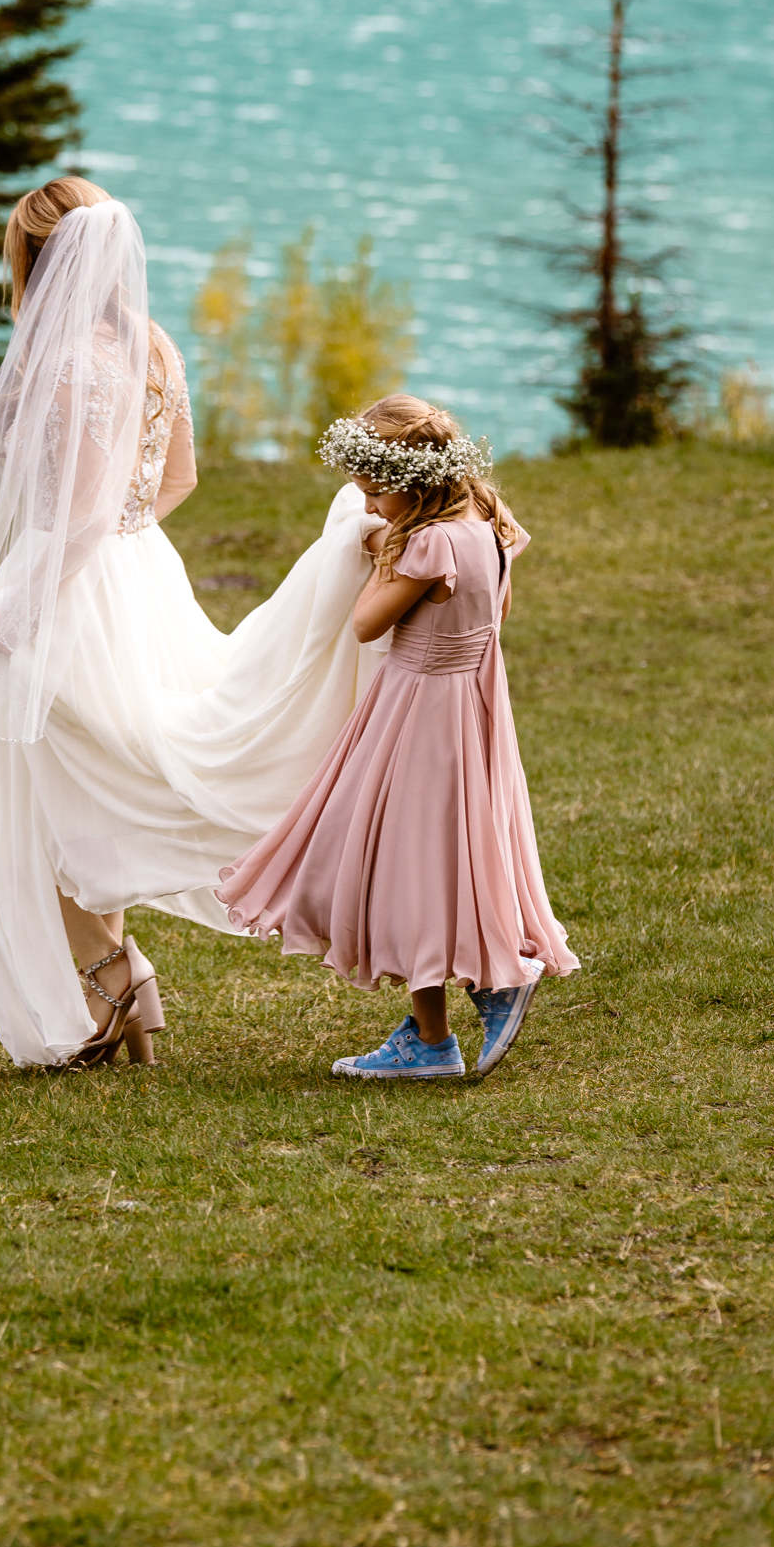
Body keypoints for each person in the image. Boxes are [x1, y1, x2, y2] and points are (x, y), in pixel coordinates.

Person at [0, 177, 386, 1068]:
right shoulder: (153, 345)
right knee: (89, 785)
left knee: (41, 795)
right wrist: (129, 545)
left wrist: (20, 599)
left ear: (37, 260)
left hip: (67, 581)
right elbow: (178, 480)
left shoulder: (63, 359)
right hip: (135, 572)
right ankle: (123, 986)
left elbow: (80, 510)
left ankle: (115, 981)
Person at [216, 396, 580, 1078]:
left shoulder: (428, 542)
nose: (370, 507)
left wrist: (385, 557)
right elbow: (495, 610)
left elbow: (366, 625)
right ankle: (445, 1022)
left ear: (411, 484)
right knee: (441, 857)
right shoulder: (490, 519)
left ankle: (468, 1009)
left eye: (376, 493)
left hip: (418, 710)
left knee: (403, 859)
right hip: (473, 703)